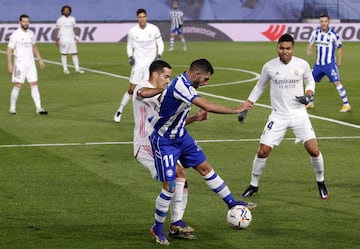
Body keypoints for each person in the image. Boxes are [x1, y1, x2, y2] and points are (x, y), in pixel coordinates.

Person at [148, 58, 256, 245]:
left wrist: (193, 118)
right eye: (205, 79)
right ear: (197, 74)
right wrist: (235, 110)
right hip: (165, 141)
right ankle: (157, 228)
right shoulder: (181, 85)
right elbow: (206, 105)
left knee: (205, 167)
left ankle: (232, 203)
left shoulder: (187, 84)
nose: (206, 83)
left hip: (181, 137)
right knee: (170, 187)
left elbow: (176, 115)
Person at [240, 34, 329, 201]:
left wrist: (309, 95)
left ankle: (321, 182)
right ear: (277, 48)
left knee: (314, 150)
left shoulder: (302, 64)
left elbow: (310, 82)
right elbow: (260, 87)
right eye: (281, 48)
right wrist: (247, 105)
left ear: (293, 49)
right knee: (262, 151)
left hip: (299, 114)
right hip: (278, 115)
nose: (285, 51)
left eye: (288, 48)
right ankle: (253, 185)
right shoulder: (269, 67)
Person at [133, 60, 208, 240]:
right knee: (174, 179)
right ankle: (159, 227)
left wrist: (194, 118)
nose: (168, 80)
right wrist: (167, 89)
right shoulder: (143, 88)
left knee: (181, 179)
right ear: (155, 74)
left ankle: (175, 225)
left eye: (169, 78)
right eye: (166, 77)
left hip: (162, 143)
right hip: (146, 145)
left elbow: (170, 123)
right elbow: (142, 93)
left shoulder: (164, 95)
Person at [114, 8, 164, 123]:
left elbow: (160, 43)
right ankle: (120, 110)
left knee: (153, 89)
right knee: (132, 89)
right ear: (137, 18)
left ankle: (155, 114)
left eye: (144, 16)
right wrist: (130, 56)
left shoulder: (154, 29)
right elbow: (129, 45)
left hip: (151, 65)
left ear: (146, 17)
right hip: (138, 64)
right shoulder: (132, 31)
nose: (142, 19)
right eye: (140, 17)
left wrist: (159, 55)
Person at [306, 13, 351, 112]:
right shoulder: (315, 33)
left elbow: (339, 47)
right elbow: (310, 43)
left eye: (325, 21)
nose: (323, 23)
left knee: (336, 83)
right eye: (322, 21)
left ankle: (346, 104)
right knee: (310, 81)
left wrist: (339, 61)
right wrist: (309, 49)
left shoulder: (333, 34)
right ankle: (310, 103)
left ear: (328, 22)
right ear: (320, 22)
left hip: (329, 65)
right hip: (318, 65)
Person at [7, 14, 47, 115]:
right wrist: (9, 63)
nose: (26, 23)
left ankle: (38, 108)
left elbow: (34, 47)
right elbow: (9, 49)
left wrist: (40, 59)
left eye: (27, 21)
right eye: (24, 21)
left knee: (34, 84)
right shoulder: (15, 34)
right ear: (20, 22)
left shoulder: (31, 33)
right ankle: (12, 107)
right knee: (18, 85)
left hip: (31, 64)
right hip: (20, 64)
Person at [54, 5, 84, 74]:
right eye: (65, 10)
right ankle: (65, 69)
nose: (67, 11)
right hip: (63, 39)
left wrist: (76, 37)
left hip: (71, 39)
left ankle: (77, 69)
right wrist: (56, 39)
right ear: (63, 11)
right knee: (64, 54)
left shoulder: (72, 19)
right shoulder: (60, 19)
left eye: (68, 10)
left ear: (70, 11)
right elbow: (57, 30)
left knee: (75, 53)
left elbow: (74, 29)